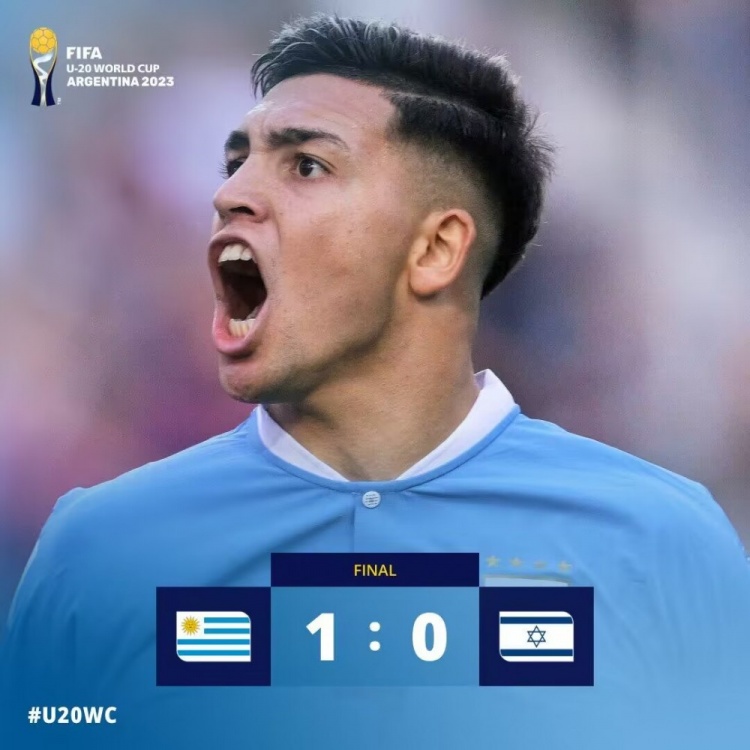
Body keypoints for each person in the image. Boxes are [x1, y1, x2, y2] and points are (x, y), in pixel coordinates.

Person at [2, 14, 749, 750]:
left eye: (307, 166)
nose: (231, 197)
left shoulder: (658, 546)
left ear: (436, 249)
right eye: (238, 165)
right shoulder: (98, 554)